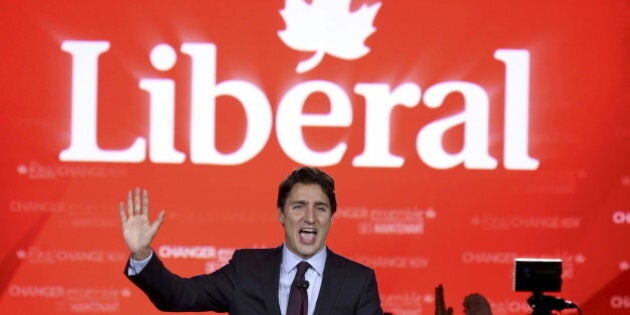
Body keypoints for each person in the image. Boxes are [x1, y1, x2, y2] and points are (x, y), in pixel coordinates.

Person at [119, 166, 384, 315]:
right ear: (281, 214)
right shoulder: (245, 270)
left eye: (321, 208)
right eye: (299, 206)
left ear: (332, 217)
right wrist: (142, 254)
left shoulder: (358, 282)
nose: (310, 218)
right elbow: (178, 296)